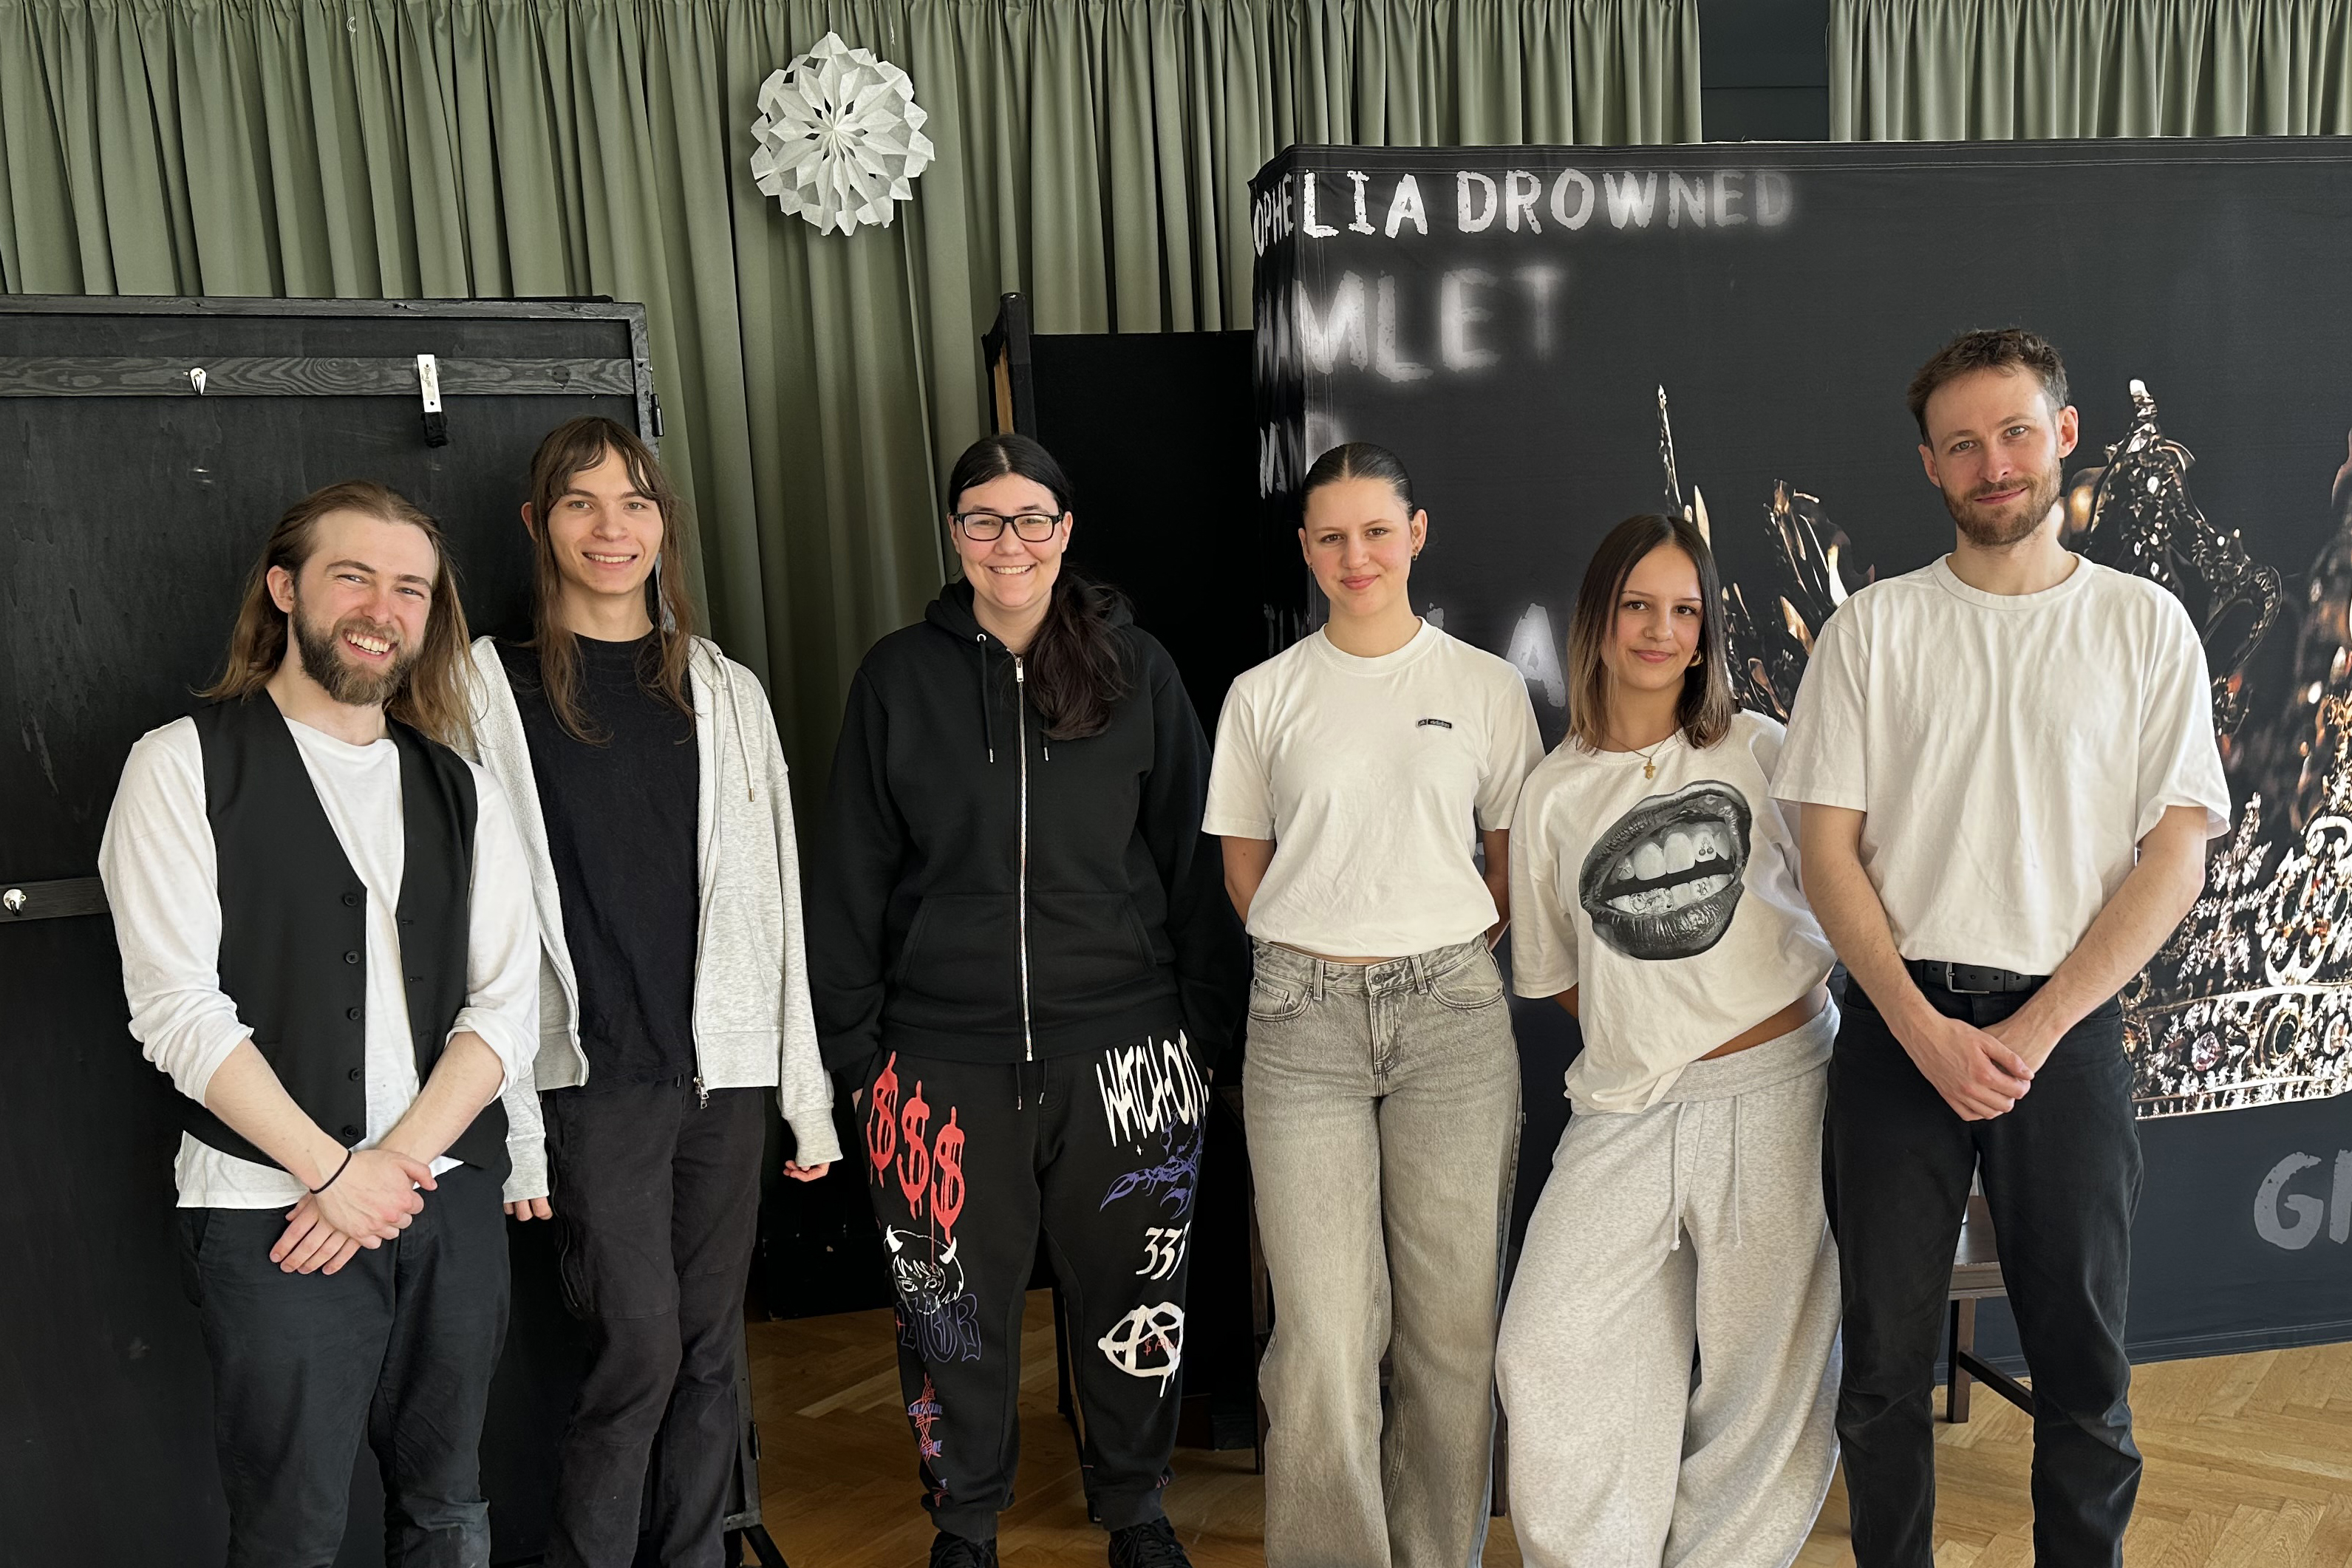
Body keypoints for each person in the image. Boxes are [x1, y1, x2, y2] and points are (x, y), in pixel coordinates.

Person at [1775, 327, 2226, 1567]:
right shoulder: (1872, 630)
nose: (1995, 464)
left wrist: (2031, 1029)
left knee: (2085, 1371)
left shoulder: (2144, 627)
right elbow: (1826, 855)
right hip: (1895, 1033)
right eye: (1964, 444)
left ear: (2064, 434)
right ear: (1929, 464)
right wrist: (1924, 1030)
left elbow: (2175, 858)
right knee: (1882, 1368)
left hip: (2065, 1037)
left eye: (2016, 432)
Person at [806, 433, 1245, 1568]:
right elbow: (849, 875)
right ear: (955, 532)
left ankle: (1136, 1507)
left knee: (1137, 1289)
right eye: (983, 518)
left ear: (1066, 529)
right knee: (946, 1304)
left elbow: (1196, 860)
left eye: (1032, 517)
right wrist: (857, 1059)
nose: (1010, 541)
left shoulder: (1136, 669)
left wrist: (1203, 1034)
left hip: (1130, 1052)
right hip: (936, 1058)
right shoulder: (898, 677)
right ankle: (964, 1522)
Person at [98, 480, 539, 1566]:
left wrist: (385, 1171)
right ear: (285, 588)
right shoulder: (180, 764)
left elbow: (505, 1007)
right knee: (290, 1530)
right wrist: (331, 1174)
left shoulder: (465, 789)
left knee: (450, 1506)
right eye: (354, 576)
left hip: (446, 1201)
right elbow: (177, 1009)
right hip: (269, 1213)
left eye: (410, 589)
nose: (382, 609)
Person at [466, 416, 841, 1568]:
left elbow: (778, 897)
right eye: (581, 502)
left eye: (634, 502)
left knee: (712, 1350)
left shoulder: (723, 688)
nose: (611, 527)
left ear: (663, 523)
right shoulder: (486, 687)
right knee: (638, 1349)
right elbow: (474, 920)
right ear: (539, 524)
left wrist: (806, 1096)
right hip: (594, 1078)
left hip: (723, 1076)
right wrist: (516, 1134)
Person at [1205, 441, 1541, 1568]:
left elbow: (1514, 857)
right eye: (1333, 537)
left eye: (1377, 531)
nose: (1358, 556)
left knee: (1453, 1332)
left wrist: (1437, 948)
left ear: (1417, 534)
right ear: (1306, 549)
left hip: (1451, 1015)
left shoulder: (1484, 687)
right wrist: (1319, 946)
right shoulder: (1265, 695)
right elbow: (1244, 865)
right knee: (1324, 1339)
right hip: (1301, 1024)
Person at [1496, 514, 1841, 1568]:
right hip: (1626, 1103)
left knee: (1763, 1368)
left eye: (1684, 611)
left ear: (1706, 635)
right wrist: (1658, 1023)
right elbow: (1560, 976)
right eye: (1638, 606)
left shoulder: (1762, 749)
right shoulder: (1550, 793)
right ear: (1598, 621)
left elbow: (1842, 894)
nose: (1660, 630)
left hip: (1779, 1084)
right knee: (1547, 1346)